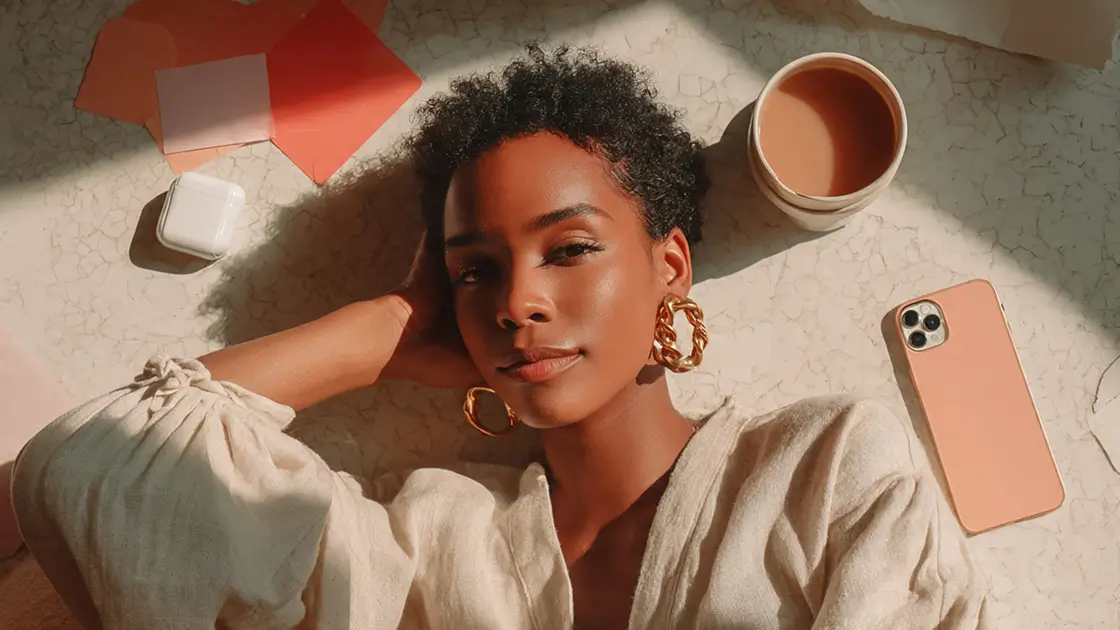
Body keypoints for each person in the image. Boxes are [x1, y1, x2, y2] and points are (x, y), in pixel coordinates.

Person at [11, 45, 989, 629]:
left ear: (670, 266)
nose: (516, 301)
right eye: (474, 270)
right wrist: (378, 332)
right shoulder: (432, 540)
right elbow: (90, 479)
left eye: (568, 249)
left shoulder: (828, 474)